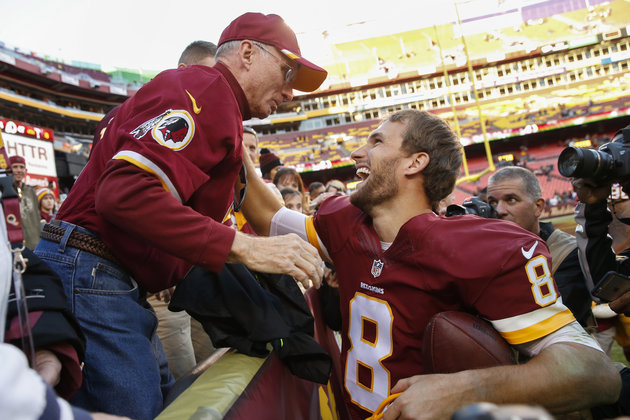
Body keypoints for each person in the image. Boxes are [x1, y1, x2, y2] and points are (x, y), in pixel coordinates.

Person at [34, 12, 326, 420]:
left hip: (103, 272)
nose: (291, 91)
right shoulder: (209, 90)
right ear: (247, 53)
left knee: (161, 404)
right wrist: (242, 248)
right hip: (93, 267)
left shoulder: (209, 95)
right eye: (287, 69)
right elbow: (123, 193)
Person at [240, 109, 620, 419]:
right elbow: (269, 218)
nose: (357, 154)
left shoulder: (483, 247)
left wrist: (466, 389)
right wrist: (232, 146)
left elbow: (595, 373)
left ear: (415, 162)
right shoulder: (344, 221)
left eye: (376, 142)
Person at [486, 166, 594, 328]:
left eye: (511, 200)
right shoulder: (487, 253)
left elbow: (557, 318)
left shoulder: (569, 252)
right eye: (492, 202)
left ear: (538, 207)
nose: (499, 210)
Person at [9, 155, 41, 250]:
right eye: (15, 167)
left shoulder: (30, 191)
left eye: (21, 167)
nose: (19, 170)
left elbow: (37, 217)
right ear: (8, 171)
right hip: (17, 246)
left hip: (36, 244)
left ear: (26, 171)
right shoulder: (4, 193)